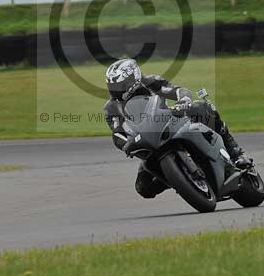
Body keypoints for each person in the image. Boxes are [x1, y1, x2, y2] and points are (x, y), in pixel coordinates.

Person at [103, 58, 251, 199]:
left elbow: (177, 90)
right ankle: (179, 178)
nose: (116, 90)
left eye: (120, 85)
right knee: (143, 187)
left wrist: (183, 100)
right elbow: (117, 133)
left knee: (202, 108)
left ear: (134, 77)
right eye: (112, 87)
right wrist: (126, 145)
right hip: (148, 142)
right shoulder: (111, 108)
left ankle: (236, 152)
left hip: (170, 121)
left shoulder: (150, 82)